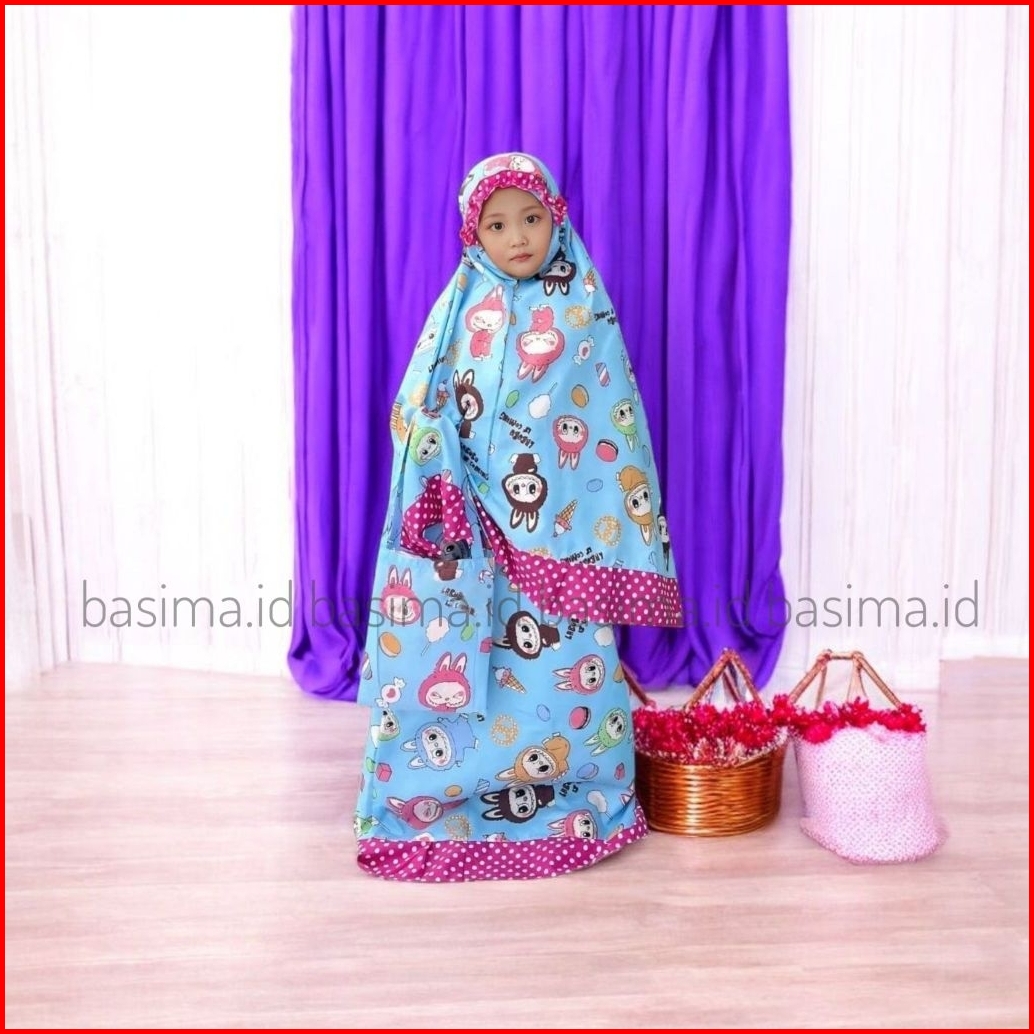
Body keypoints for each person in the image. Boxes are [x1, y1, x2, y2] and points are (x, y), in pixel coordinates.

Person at [354, 152, 682, 882]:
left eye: (531, 218)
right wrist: (435, 445)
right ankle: (439, 805)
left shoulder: (582, 311)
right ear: (473, 234)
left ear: (556, 218)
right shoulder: (458, 311)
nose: (518, 237)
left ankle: (578, 805)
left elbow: (609, 422)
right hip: (466, 539)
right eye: (497, 225)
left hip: (559, 544)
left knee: (561, 677)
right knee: (454, 668)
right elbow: (413, 405)